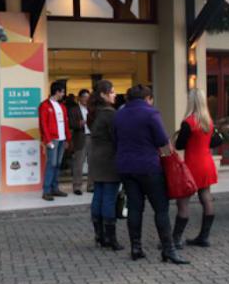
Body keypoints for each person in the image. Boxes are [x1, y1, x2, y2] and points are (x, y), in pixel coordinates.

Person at [114, 84, 188, 264]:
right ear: (147, 98)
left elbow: (115, 139)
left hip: (126, 167)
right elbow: (162, 140)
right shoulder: (150, 113)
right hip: (148, 166)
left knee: (134, 207)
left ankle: (136, 248)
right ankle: (168, 250)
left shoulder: (119, 114)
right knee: (161, 208)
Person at [173, 88, 218, 248]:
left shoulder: (188, 122)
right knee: (206, 197)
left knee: (183, 202)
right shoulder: (208, 122)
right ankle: (204, 237)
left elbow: (179, 145)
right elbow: (212, 142)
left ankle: (175, 239)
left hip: (193, 165)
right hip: (207, 163)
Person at [87, 81, 121, 250]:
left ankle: (99, 235)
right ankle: (110, 238)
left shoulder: (93, 112)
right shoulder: (110, 114)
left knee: (98, 194)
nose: (115, 94)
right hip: (109, 159)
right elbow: (116, 137)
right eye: (112, 92)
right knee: (109, 197)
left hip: (96, 158)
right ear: (103, 94)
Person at [38, 81, 71, 201]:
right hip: (52, 139)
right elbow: (43, 124)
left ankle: (55, 188)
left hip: (61, 139)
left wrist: (67, 139)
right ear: (57, 92)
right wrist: (47, 140)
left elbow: (66, 124)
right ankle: (46, 191)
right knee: (51, 164)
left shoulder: (62, 106)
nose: (63, 94)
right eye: (62, 92)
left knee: (58, 164)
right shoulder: (44, 105)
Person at [68, 89, 92, 195]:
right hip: (80, 138)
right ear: (79, 98)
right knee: (79, 163)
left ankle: (91, 186)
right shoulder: (73, 110)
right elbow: (70, 124)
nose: (86, 99)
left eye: (88, 97)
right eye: (84, 97)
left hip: (92, 137)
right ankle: (77, 186)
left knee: (92, 163)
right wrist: (79, 124)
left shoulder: (92, 109)